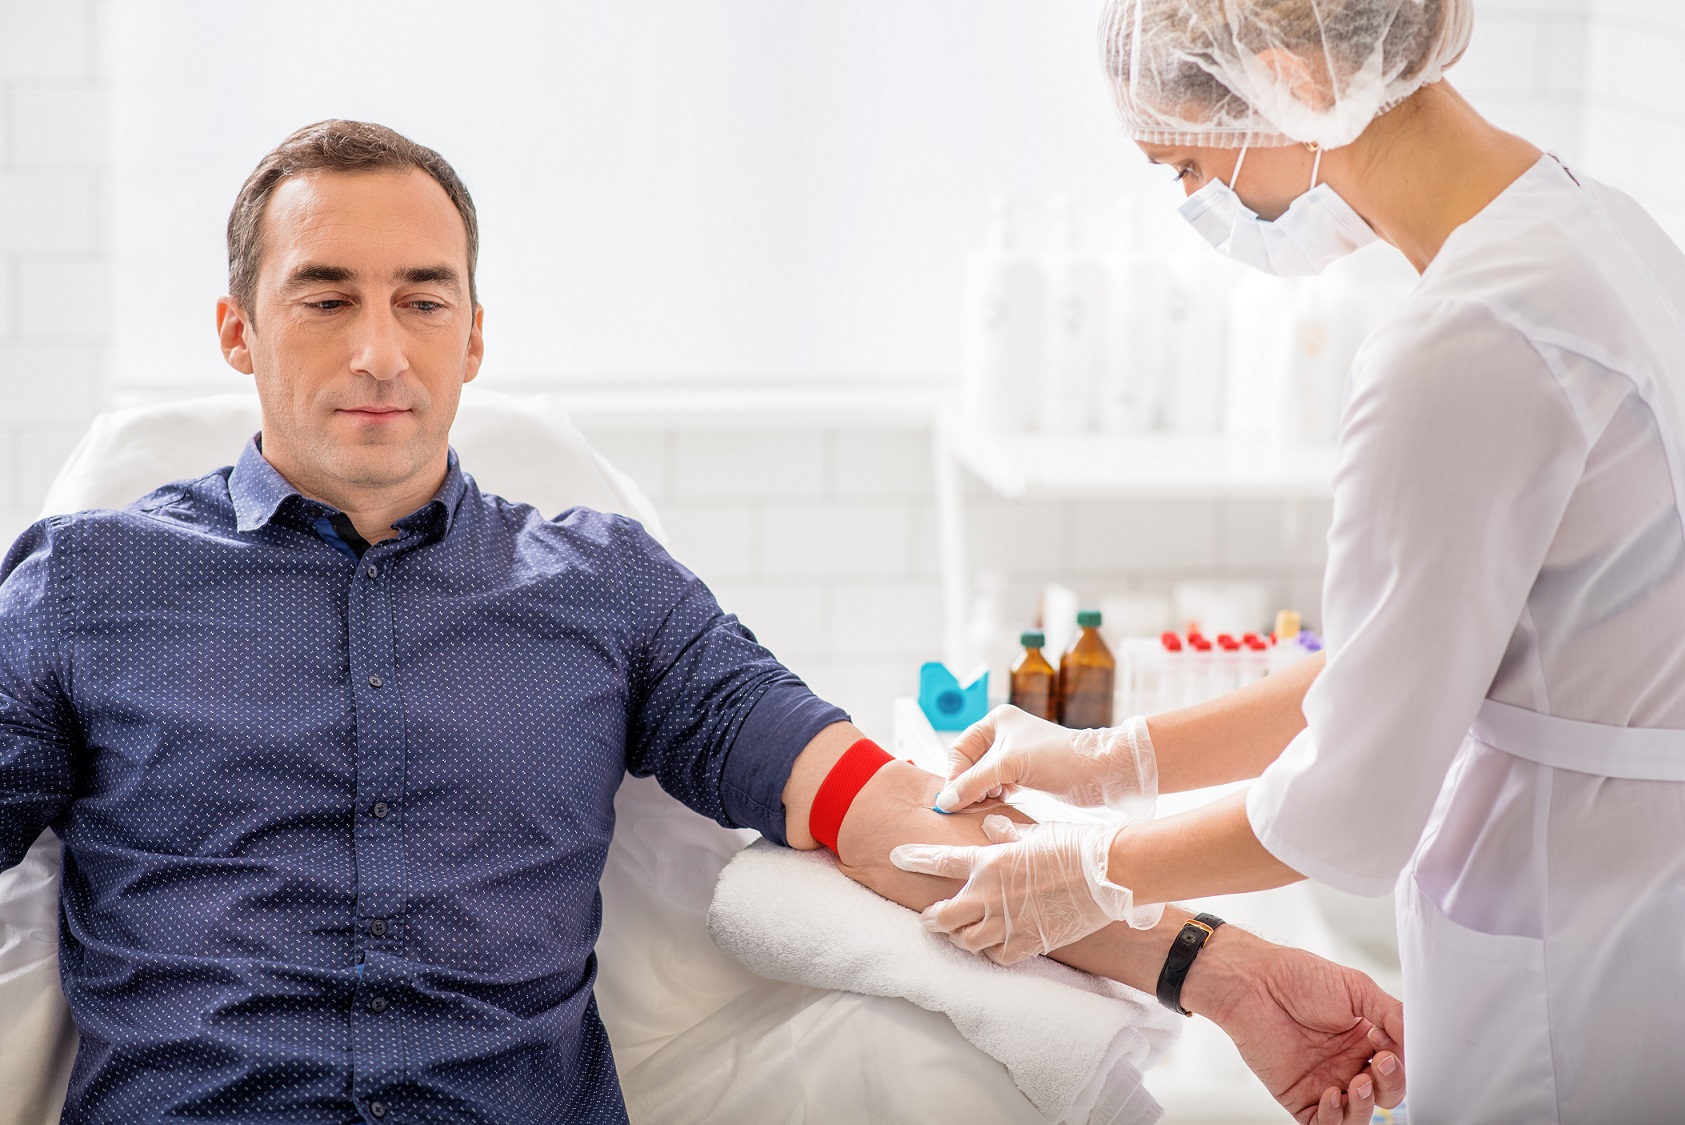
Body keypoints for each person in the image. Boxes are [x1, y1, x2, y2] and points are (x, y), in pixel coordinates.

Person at [0, 119, 1404, 1125]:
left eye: (421, 300)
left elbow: (890, 819)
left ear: (474, 337)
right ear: (238, 330)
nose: (379, 347)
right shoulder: (86, 583)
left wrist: (1212, 965)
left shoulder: (600, 587)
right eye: (324, 298)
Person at [892, 0, 1685, 1121]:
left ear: (1292, 83)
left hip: (1579, 941)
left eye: (1180, 164)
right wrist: (1114, 761)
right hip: (1631, 897)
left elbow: (1348, 808)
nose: (1193, 205)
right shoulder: (1591, 227)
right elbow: (1412, 661)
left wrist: (1083, 875)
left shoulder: (1462, 344)